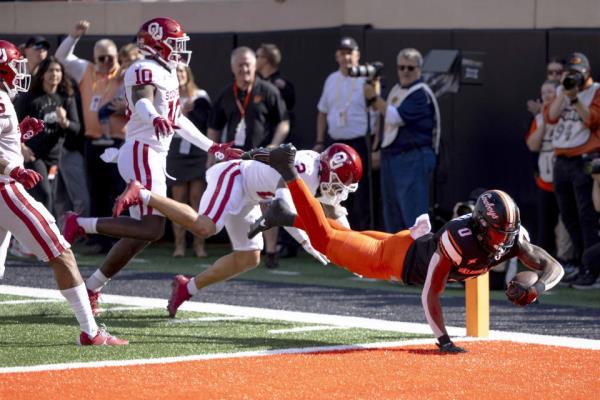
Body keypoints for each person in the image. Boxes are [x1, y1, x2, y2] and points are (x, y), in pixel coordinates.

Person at [243, 144, 564, 352]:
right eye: (498, 233)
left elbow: (554, 267)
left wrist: (537, 288)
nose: (504, 242)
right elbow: (430, 294)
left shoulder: (510, 238)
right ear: (481, 226)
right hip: (392, 260)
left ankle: (284, 214)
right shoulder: (459, 238)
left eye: (507, 233)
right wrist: (443, 340)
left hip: (406, 244)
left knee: (337, 232)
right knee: (326, 239)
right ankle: (287, 171)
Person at [61, 17, 242, 316]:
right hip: (143, 153)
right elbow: (142, 101)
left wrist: (212, 146)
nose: (180, 50)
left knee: (138, 236)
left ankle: (92, 286)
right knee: (152, 228)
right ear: (156, 43)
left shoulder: (168, 73)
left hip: (150, 154)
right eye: (175, 43)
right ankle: (79, 224)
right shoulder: (143, 68)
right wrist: (152, 116)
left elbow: (178, 120)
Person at [111, 143, 361, 318]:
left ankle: (187, 288)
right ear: (327, 168)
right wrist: (307, 242)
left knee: (249, 256)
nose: (338, 191)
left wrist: (355, 255)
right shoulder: (305, 170)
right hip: (235, 177)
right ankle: (142, 193)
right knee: (205, 226)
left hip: (252, 194)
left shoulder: (321, 173)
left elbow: (336, 212)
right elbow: (283, 209)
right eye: (338, 184)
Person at [0, 39, 127, 345]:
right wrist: (13, 170)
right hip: (5, 189)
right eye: (14, 67)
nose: (20, 73)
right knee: (61, 252)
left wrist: (19, 134)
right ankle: (91, 331)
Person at [208, 46, 290, 268]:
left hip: (263, 157)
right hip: (236, 160)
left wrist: (274, 145)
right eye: (240, 65)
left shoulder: (269, 90)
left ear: (255, 66)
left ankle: (271, 252)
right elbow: (214, 128)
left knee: (268, 205)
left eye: (248, 64)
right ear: (233, 67)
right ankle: (242, 247)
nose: (244, 68)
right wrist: (212, 157)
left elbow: (283, 121)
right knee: (236, 202)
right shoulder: (226, 94)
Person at [55, 20, 124, 253]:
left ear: (117, 57)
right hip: (93, 141)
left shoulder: (125, 74)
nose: (105, 62)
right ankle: (99, 240)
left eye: (110, 57)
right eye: (101, 57)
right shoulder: (87, 70)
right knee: (96, 192)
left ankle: (118, 239)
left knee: (118, 192)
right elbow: (62, 58)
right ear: (95, 57)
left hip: (119, 141)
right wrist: (73, 37)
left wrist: (126, 108)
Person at [364, 48, 439, 233]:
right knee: (392, 213)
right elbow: (382, 118)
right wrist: (377, 147)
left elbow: (395, 117)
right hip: (392, 157)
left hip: (413, 157)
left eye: (410, 68)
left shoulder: (421, 93)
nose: (405, 71)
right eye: (401, 67)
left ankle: (419, 259)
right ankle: (398, 259)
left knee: (413, 215)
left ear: (419, 70)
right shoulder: (397, 89)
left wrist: (373, 96)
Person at [546, 52, 600, 286]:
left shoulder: (595, 90)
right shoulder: (562, 89)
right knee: (568, 216)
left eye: (577, 74)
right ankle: (580, 262)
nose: (572, 78)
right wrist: (564, 91)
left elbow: (592, 120)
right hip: (561, 160)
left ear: (587, 73)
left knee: (586, 215)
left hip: (584, 159)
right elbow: (550, 116)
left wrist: (576, 98)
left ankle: (593, 268)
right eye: (570, 74)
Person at [314, 37, 377, 231]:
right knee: (333, 191)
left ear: (357, 55)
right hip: (336, 143)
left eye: (350, 52)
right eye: (342, 53)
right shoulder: (331, 79)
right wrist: (319, 140)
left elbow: (377, 108)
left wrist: (376, 146)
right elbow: (322, 111)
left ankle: (362, 237)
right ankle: (337, 236)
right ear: (336, 56)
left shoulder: (366, 78)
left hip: (359, 142)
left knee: (361, 193)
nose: (346, 57)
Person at [14, 56, 81, 214]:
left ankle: (52, 234)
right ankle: (46, 235)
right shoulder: (30, 97)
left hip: (54, 157)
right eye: (50, 70)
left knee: (51, 199)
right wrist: (22, 147)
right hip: (34, 155)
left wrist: (65, 122)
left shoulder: (66, 98)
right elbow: (13, 125)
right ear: (43, 74)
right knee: (45, 196)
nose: (54, 74)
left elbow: (76, 128)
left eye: (58, 70)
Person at [256, 43, 299, 261]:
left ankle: (288, 243)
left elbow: (285, 114)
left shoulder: (281, 84)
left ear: (267, 59)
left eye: (259, 56)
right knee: (262, 196)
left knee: (283, 194)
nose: (256, 60)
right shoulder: (255, 85)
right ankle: (265, 244)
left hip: (278, 147)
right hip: (259, 145)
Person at [167, 64, 211, 258]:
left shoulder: (200, 95)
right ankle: (179, 245)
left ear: (188, 74)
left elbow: (208, 122)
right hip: (176, 150)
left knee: (197, 198)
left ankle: (199, 244)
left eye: (182, 72)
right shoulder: (167, 96)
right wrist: (180, 115)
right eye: (175, 72)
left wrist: (191, 116)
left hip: (197, 151)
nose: (179, 75)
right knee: (178, 199)